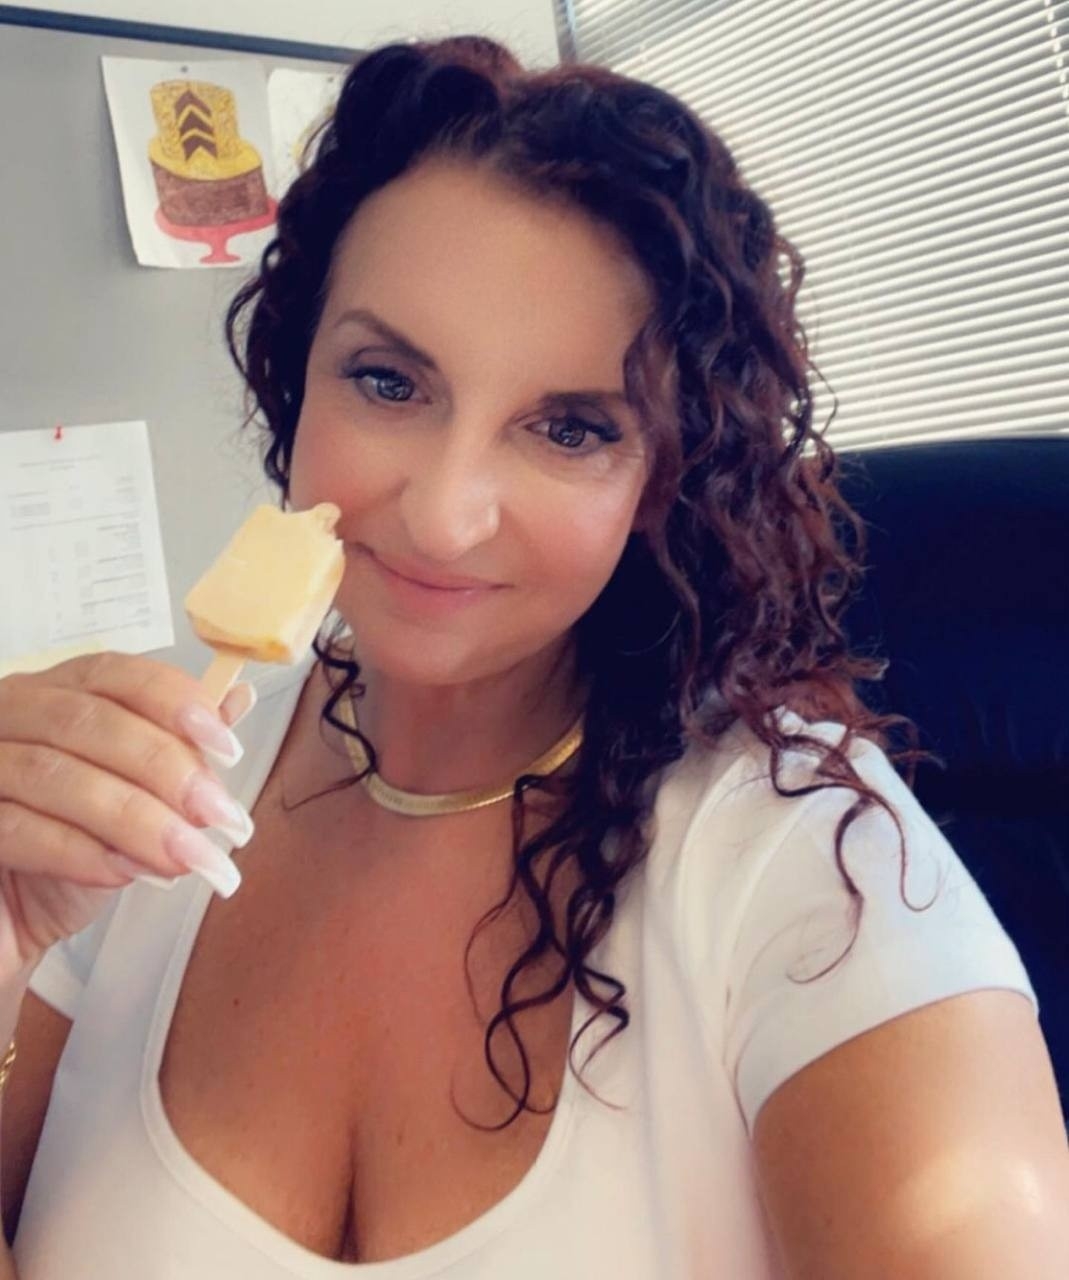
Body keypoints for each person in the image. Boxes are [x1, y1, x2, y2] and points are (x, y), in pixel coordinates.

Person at [1, 33, 1066, 1280]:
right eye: (387, 381)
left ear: (661, 477)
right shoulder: (139, 803)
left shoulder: (812, 862)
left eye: (568, 428)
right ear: (297, 382)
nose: (443, 514)